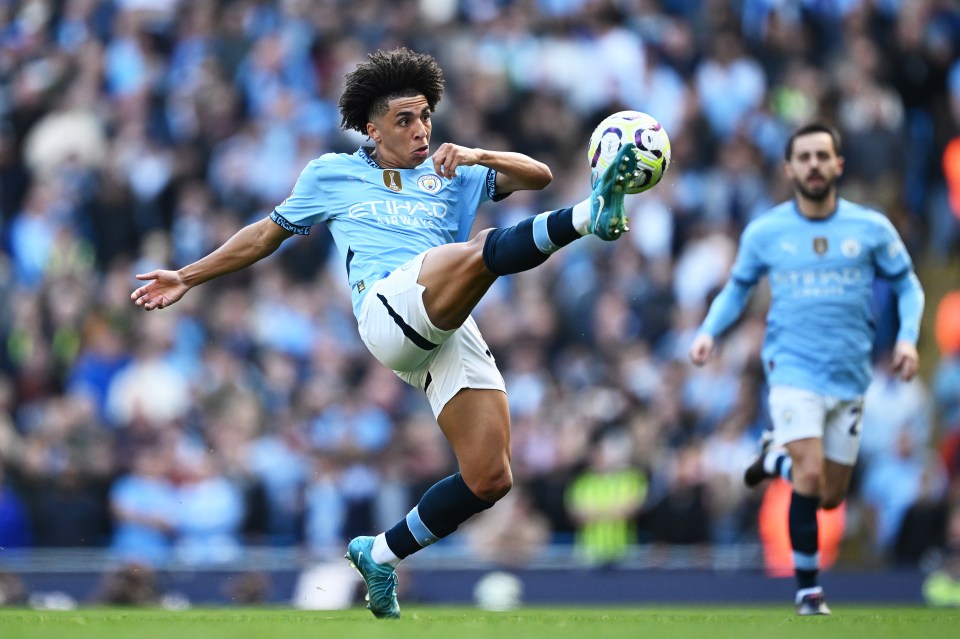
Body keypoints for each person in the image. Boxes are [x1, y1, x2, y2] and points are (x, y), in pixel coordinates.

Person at [131, 48, 647, 619]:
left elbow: (539, 174)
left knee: (491, 477)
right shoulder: (332, 173)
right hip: (386, 308)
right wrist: (186, 274)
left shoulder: (457, 171)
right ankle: (587, 217)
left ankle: (379, 553)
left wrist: (477, 152)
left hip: (444, 323)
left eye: (425, 115)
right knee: (477, 252)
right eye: (405, 120)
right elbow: (263, 236)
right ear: (372, 130)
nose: (421, 130)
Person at [688, 123, 925, 615]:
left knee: (831, 497)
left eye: (823, 156)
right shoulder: (766, 231)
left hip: (850, 376)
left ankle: (775, 457)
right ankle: (809, 590)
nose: (814, 165)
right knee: (811, 476)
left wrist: (906, 339)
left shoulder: (871, 229)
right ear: (789, 167)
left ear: (838, 165)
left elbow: (909, 287)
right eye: (805, 156)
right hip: (792, 369)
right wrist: (710, 331)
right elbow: (737, 288)